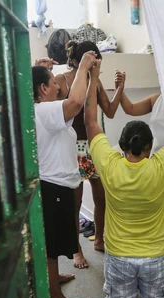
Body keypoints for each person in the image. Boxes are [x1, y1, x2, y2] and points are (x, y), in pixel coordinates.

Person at [85, 66, 164, 298]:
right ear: (150, 146)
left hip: (119, 255)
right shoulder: (161, 165)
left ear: (122, 146)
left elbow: (91, 122)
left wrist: (90, 80)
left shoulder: (109, 164)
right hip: (155, 255)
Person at [32, 52, 98, 298]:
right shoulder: (45, 110)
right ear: (43, 88)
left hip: (56, 185)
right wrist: (82, 67)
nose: (59, 87)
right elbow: (77, 102)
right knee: (51, 247)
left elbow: (73, 104)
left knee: (56, 242)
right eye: (54, 83)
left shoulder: (47, 112)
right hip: (53, 187)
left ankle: (53, 278)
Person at [57, 41, 122, 269]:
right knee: (74, 201)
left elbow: (111, 112)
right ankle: (76, 250)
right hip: (72, 147)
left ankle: (99, 239)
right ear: (76, 60)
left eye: (97, 59)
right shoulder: (62, 81)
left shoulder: (96, 81)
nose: (96, 63)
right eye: (91, 58)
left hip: (93, 145)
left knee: (101, 196)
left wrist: (119, 88)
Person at [115, 72, 164, 256]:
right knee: (162, 203)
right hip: (156, 164)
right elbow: (130, 109)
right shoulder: (157, 99)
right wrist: (120, 89)